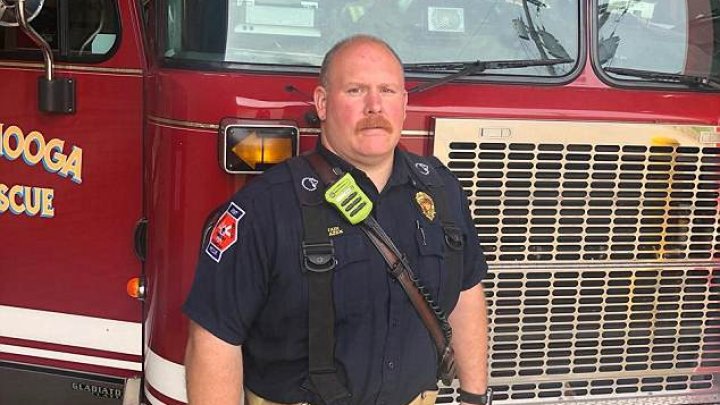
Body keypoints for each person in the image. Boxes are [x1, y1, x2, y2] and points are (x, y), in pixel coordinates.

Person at [183, 34, 491, 405]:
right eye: (356, 90)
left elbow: (466, 294)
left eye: (388, 91)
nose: (375, 106)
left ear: (404, 104)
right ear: (323, 104)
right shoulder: (265, 208)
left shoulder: (441, 191)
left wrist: (475, 397)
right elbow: (213, 341)